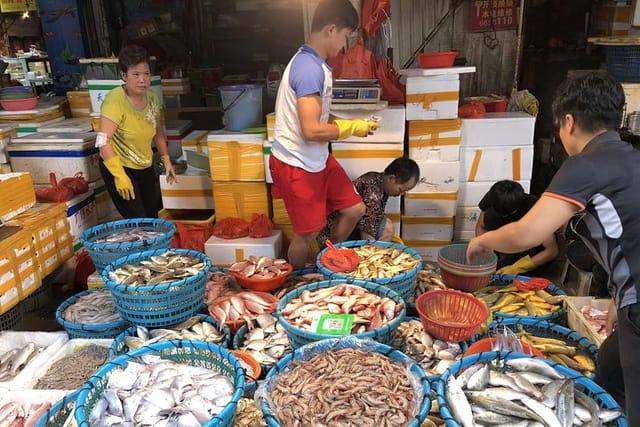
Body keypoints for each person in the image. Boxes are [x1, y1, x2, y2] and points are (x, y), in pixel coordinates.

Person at [466, 73, 640, 424]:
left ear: (569, 122)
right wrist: (622, 300)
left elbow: (527, 234)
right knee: (609, 367)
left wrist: (481, 240)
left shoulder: (587, 165)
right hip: (631, 299)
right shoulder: (631, 159)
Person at [269, 0, 380, 269]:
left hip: (317, 158)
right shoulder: (307, 68)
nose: (344, 45)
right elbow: (311, 130)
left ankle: (325, 261)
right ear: (331, 29)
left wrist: (353, 122)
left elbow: (320, 116)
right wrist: (351, 128)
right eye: (345, 36)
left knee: (355, 209)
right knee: (305, 232)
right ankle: (295, 278)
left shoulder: (317, 65)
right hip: (296, 163)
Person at [96, 45, 176, 219]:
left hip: (144, 164)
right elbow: (103, 141)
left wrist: (166, 160)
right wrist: (119, 175)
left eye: (146, 74)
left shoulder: (153, 98)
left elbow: (158, 133)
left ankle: (155, 246)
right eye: (136, 74)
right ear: (124, 76)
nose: (142, 80)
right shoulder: (115, 101)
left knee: (152, 216)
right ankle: (142, 247)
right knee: (137, 219)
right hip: (119, 165)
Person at [317, 157, 420, 247]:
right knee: (386, 229)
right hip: (334, 233)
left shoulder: (377, 179)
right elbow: (366, 231)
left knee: (387, 225)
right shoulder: (372, 192)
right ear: (391, 179)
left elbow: (373, 219)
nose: (401, 194)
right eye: (401, 190)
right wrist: (373, 256)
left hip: (352, 226)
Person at [475, 179, 559, 276]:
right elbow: (481, 227)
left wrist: (517, 268)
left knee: (523, 276)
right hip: (507, 242)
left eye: (506, 214)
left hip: (529, 247)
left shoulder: (536, 210)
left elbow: (552, 251)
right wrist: (484, 250)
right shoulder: (494, 197)